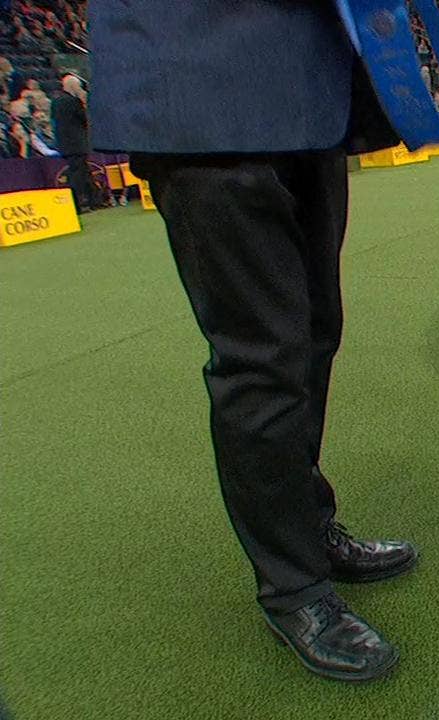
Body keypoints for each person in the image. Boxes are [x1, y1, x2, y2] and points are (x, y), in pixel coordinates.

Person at [89, 0, 419, 683]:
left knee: (314, 333)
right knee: (260, 357)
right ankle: (292, 588)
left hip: (307, 85)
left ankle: (305, 525)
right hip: (202, 82)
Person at [51, 74, 91, 211]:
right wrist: (83, 100)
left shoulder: (55, 102)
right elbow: (84, 119)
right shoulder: (74, 101)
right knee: (79, 173)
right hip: (77, 143)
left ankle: (88, 199)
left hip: (64, 144)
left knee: (76, 171)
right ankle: (81, 202)